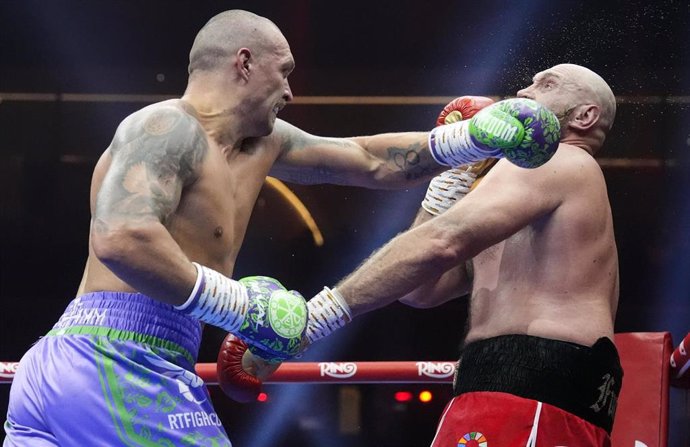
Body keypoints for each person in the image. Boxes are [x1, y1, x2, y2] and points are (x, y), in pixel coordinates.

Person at [2, 9, 558, 447]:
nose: (291, 90)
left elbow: (367, 160)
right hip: (116, 358)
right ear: (244, 63)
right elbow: (121, 239)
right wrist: (238, 307)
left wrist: (472, 140)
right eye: (283, 70)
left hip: (90, 369)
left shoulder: (263, 143)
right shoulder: (164, 127)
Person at [297, 63, 621, 445]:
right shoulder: (530, 190)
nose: (523, 93)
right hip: (514, 384)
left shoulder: (554, 159)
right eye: (529, 82)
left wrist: (315, 318)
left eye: (546, 84)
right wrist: (451, 180)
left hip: (533, 385)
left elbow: (441, 241)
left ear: (585, 116)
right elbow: (422, 289)